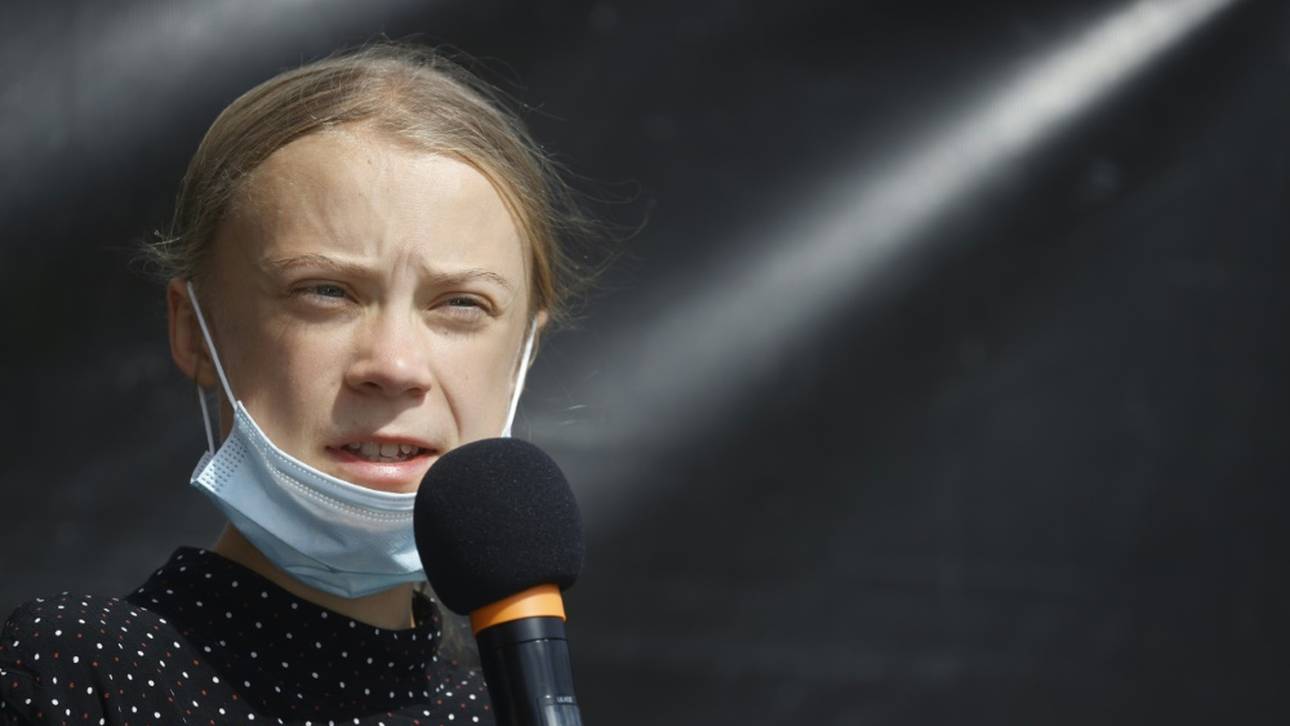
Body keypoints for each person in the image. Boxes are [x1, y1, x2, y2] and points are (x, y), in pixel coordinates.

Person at [0, 42, 593, 724]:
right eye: (327, 292)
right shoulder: (79, 676)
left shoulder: (503, 710)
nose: (395, 365)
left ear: (525, 349)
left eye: (460, 304)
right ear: (194, 330)